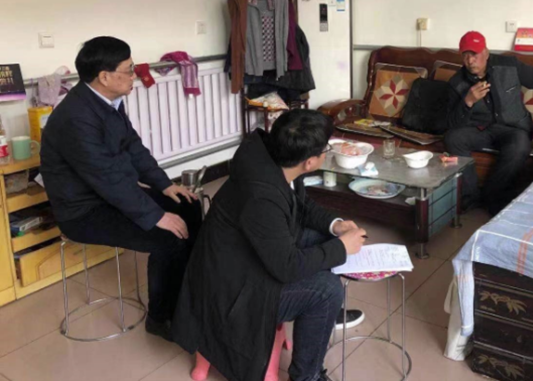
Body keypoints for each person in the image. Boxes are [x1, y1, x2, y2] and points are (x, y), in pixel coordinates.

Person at [173, 110, 367, 381]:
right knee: (326, 290)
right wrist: (342, 248)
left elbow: (300, 204)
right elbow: (287, 268)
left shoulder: (276, 158)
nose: (327, 153)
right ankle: (306, 376)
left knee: (325, 240)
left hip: (246, 260)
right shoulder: (261, 197)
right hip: (232, 292)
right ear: (310, 162)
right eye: (326, 149)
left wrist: (336, 226)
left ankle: (321, 318)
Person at [41, 36, 201, 341]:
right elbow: (106, 177)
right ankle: (162, 317)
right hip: (84, 211)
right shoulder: (76, 118)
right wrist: (156, 215)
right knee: (168, 237)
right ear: (104, 77)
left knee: (188, 205)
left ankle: (191, 293)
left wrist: (165, 185)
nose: (135, 75)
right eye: (128, 69)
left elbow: (133, 147)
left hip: (111, 194)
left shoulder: (108, 102)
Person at [445, 31, 533, 215]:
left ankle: (491, 197)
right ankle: (471, 198)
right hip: (480, 130)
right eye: (465, 55)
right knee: (453, 138)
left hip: (513, 129)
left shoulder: (509, 65)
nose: (470, 60)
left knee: (519, 146)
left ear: (486, 52)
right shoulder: (456, 82)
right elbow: (452, 123)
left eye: (475, 54)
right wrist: (468, 101)